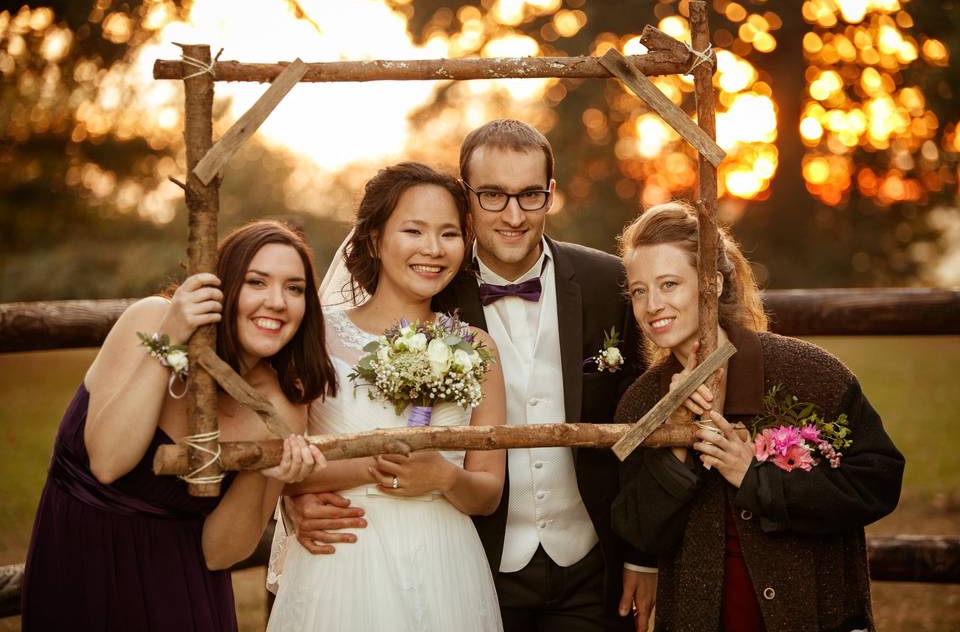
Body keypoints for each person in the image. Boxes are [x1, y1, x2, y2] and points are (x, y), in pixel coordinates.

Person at [288, 120, 655, 631]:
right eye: (492, 195)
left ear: (551, 194)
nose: (513, 215)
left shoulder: (605, 282)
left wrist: (642, 554)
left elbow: (640, 418)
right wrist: (295, 500)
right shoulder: (428, 283)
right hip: (473, 560)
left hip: (590, 565)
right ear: (467, 197)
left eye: (530, 195)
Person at [21, 220, 335, 631]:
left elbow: (220, 553)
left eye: (294, 289)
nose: (277, 301)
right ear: (220, 288)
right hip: (74, 570)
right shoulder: (152, 320)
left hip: (179, 596)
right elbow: (107, 462)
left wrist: (264, 472)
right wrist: (166, 343)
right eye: (257, 282)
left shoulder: (281, 407)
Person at [611, 201, 905, 631]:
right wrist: (673, 442)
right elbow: (640, 532)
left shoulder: (811, 374)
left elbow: (879, 481)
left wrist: (757, 478)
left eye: (669, 284)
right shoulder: (640, 404)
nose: (652, 304)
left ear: (710, 284)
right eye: (639, 290)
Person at [266, 162, 507, 631]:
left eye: (450, 234)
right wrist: (371, 470)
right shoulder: (314, 338)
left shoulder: (477, 347)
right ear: (375, 240)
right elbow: (283, 465)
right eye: (413, 230)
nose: (433, 250)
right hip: (342, 556)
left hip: (444, 563)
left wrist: (443, 477)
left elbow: (488, 494)